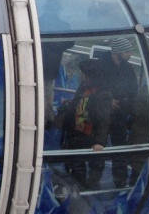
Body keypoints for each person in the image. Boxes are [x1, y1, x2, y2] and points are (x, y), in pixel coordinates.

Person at [55, 58, 112, 187]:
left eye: (86, 76)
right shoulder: (82, 89)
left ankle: (89, 188)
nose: (83, 78)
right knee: (75, 165)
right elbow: (76, 105)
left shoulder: (103, 95)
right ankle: (77, 184)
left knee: (95, 164)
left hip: (90, 135)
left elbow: (103, 120)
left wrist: (99, 142)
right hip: (76, 133)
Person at [103, 37, 139, 188]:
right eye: (127, 52)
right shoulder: (102, 67)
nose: (130, 54)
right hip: (103, 114)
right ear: (117, 53)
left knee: (120, 148)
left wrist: (128, 107)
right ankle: (91, 179)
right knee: (99, 144)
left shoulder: (128, 69)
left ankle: (120, 180)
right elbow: (93, 89)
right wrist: (107, 101)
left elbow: (133, 90)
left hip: (121, 115)